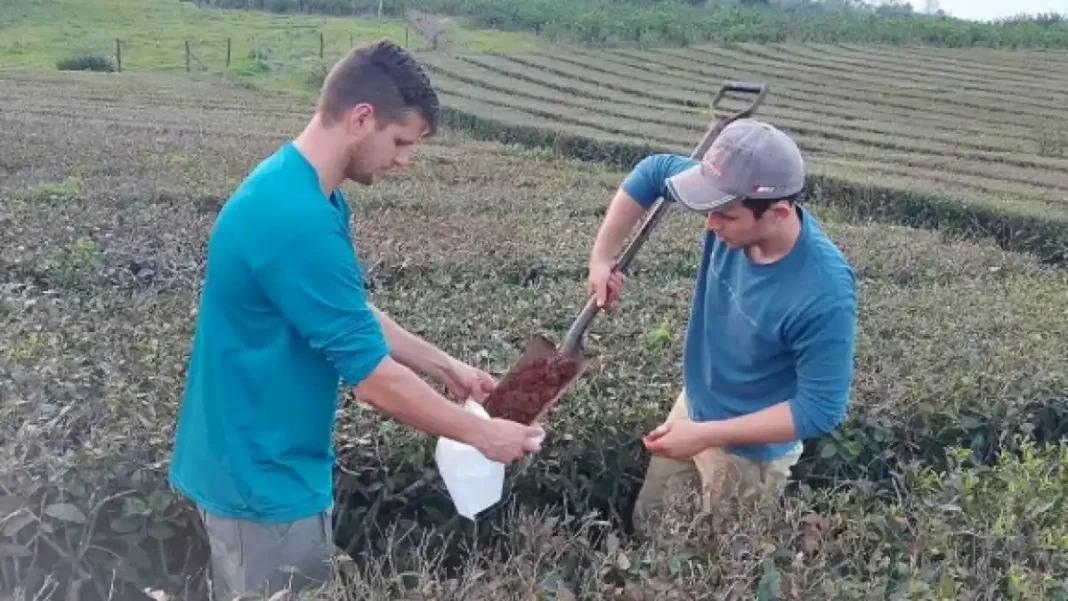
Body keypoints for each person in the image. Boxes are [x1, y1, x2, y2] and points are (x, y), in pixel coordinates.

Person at [167, 40, 544, 600]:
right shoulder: (294, 218)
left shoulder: (305, 191)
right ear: (361, 118)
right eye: (399, 142)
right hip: (259, 478)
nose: (402, 160)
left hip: (263, 459)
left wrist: (447, 367)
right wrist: (483, 434)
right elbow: (373, 383)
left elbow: (346, 312)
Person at [585, 119, 857, 534]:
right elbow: (652, 171)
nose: (711, 225)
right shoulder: (731, 207)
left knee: (709, 558)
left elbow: (820, 409)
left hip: (750, 454)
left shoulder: (824, 290)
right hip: (694, 407)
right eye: (709, 209)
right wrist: (602, 257)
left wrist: (708, 435)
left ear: (778, 211)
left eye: (726, 215)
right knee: (650, 522)